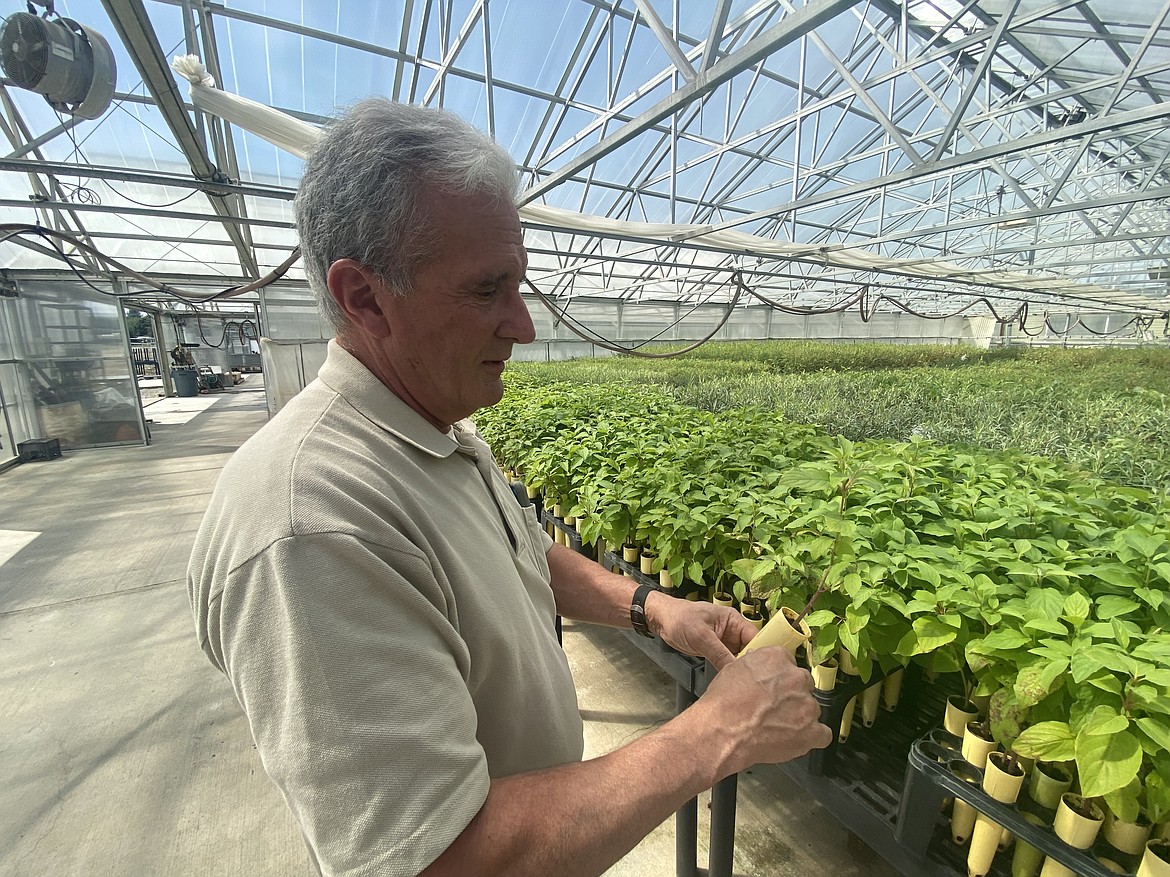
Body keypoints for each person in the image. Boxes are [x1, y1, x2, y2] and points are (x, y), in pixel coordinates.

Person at [186, 98, 831, 877]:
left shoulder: (440, 428)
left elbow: (516, 551)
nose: (523, 325)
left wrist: (652, 606)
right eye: (486, 290)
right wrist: (715, 734)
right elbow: (436, 858)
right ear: (364, 298)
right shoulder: (311, 526)